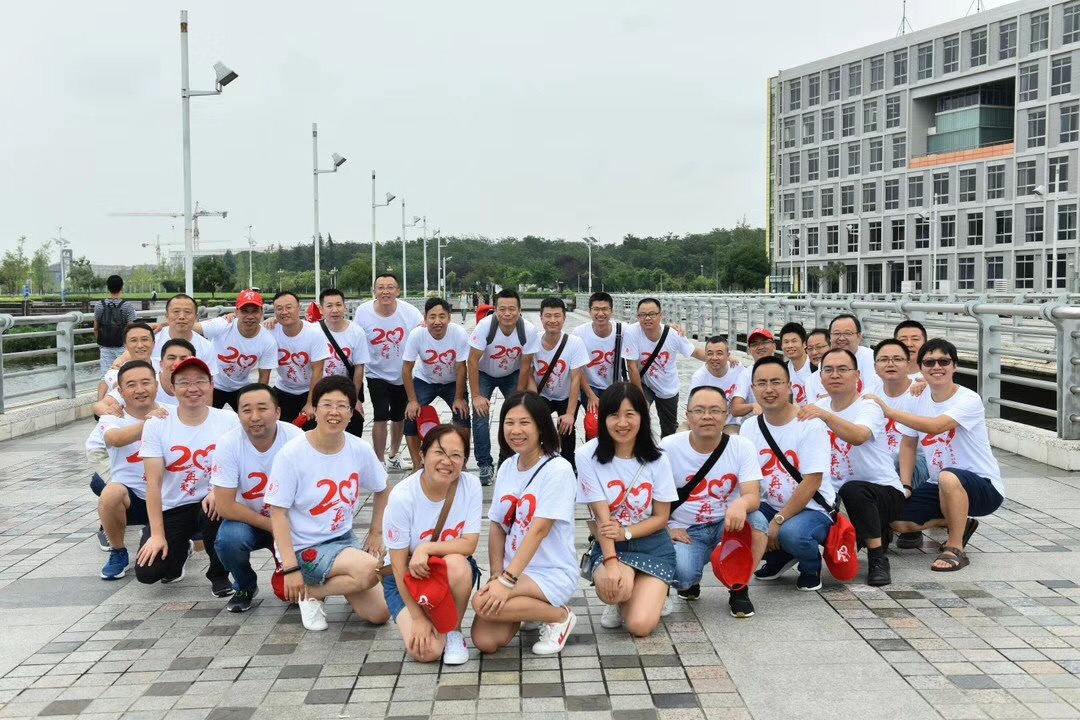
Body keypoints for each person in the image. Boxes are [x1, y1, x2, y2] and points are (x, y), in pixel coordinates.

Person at [867, 339, 1004, 572]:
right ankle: (961, 522)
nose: (937, 367)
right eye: (929, 362)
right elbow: (908, 445)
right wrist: (905, 486)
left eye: (944, 361)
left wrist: (889, 411)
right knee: (897, 521)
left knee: (948, 476)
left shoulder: (968, 399)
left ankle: (955, 547)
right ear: (920, 368)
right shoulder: (915, 398)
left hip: (983, 485)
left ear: (955, 366)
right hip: (938, 485)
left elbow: (936, 426)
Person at [266, 376, 391, 630]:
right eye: (327, 405)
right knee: (370, 570)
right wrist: (290, 568)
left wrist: (376, 532)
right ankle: (310, 590)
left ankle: (314, 590)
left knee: (380, 613)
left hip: (342, 540)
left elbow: (383, 487)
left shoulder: (359, 448)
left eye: (342, 406)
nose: (334, 412)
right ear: (314, 409)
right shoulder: (292, 454)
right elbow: (277, 513)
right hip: (305, 547)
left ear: (352, 412)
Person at [472, 391, 578, 656]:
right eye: (509, 422)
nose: (515, 430)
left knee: (482, 602)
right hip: (515, 571)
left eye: (524, 423)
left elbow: (539, 530)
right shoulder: (507, 466)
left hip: (550, 571)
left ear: (541, 426)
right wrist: (496, 574)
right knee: (486, 641)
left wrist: (506, 582)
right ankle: (530, 609)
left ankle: (559, 616)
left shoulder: (559, 469)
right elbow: (497, 525)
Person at [797, 349, 904, 586]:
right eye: (828, 370)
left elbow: (859, 436)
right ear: (820, 377)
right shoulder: (818, 406)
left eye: (842, 369)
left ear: (857, 375)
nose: (835, 375)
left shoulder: (869, 405)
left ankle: (877, 557)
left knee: (854, 490)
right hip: (835, 496)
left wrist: (825, 416)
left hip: (882, 492)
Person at [578, 383, 677, 636]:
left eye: (630, 414)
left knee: (639, 626)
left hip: (653, 545)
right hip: (611, 545)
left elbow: (661, 517)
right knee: (615, 590)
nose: (622, 423)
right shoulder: (587, 455)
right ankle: (624, 594)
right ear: (603, 419)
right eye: (614, 415)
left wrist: (627, 532)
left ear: (642, 417)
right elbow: (602, 518)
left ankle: (656, 593)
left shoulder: (659, 458)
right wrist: (611, 563)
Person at [135, 357, 239, 595]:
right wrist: (157, 535)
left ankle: (219, 574)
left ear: (211, 385)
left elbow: (239, 467)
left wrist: (218, 490)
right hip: (173, 507)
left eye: (200, 381)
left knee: (214, 509)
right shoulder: (157, 423)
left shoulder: (228, 421)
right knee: (148, 572)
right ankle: (182, 548)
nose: (193, 388)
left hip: (211, 503)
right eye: (184, 383)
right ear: (172, 388)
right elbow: (153, 483)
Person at [663, 385, 767, 616]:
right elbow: (652, 499)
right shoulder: (668, 447)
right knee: (683, 577)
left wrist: (741, 504)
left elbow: (752, 495)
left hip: (727, 524)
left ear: (726, 415)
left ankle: (738, 586)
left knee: (758, 522)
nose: (707, 416)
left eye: (715, 410)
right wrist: (665, 529)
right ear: (688, 415)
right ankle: (691, 581)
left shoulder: (741, 446)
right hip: (686, 528)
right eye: (699, 410)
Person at [382, 425, 482, 665]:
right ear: (422, 455)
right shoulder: (403, 496)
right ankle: (432, 621)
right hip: (405, 579)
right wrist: (418, 618)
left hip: (447, 575)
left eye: (456, 455)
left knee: (457, 563)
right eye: (439, 452)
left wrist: (425, 549)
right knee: (427, 652)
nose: (447, 461)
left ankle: (454, 631)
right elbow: (397, 566)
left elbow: (468, 545)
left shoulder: (470, 485)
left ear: (464, 461)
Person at [739, 356, 834, 591]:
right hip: (770, 504)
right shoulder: (749, 427)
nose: (769, 389)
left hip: (812, 508)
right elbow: (746, 477)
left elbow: (812, 481)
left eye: (776, 382)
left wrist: (778, 521)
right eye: (761, 383)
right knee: (738, 524)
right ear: (753, 389)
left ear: (790, 386)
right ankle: (779, 558)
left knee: (792, 534)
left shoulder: (810, 425)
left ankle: (810, 566)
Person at [211, 383, 304, 612]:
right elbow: (224, 506)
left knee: (291, 596)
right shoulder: (228, 444)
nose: (254, 417)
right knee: (228, 540)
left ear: (277, 412)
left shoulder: (295, 438)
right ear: (238, 414)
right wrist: (271, 524)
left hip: (291, 522)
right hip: (249, 520)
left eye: (262, 408)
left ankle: (292, 572)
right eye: (246, 410)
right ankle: (244, 585)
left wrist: (286, 526)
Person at [468, 289, 541, 485]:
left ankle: (505, 460)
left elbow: (526, 365)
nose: (507, 314)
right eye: (502, 309)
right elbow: (472, 361)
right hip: (484, 373)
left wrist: (518, 395)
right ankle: (484, 464)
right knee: (480, 416)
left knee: (514, 416)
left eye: (511, 309)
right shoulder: (485, 327)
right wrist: (476, 396)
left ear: (519, 310)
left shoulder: (528, 330)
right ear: (495, 309)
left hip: (512, 374)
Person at [95, 360, 160, 580]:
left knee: (159, 569)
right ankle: (118, 551)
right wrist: (150, 423)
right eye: (131, 385)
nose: (140, 389)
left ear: (156, 384)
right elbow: (115, 438)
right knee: (110, 493)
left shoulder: (173, 413)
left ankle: (181, 541)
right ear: (120, 392)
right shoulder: (111, 418)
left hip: (169, 499)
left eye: (146, 382)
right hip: (134, 499)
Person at [356, 273, 425, 471]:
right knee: (380, 415)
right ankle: (378, 462)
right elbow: (355, 337)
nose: (385, 291)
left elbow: (423, 330)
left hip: (401, 373)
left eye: (390, 287)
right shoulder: (363, 311)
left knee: (398, 416)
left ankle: (394, 455)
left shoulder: (409, 312)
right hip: (375, 372)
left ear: (398, 291)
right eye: (380, 287)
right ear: (374, 291)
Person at [871, 339, 931, 549]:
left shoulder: (920, 392)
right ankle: (880, 524)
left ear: (908, 364)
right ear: (875, 366)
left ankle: (908, 522)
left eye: (897, 359)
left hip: (918, 461)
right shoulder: (869, 395)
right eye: (884, 359)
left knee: (896, 460)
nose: (890, 364)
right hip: (883, 460)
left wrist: (927, 383)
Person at [402, 298, 471, 469]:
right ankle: (417, 465)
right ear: (425, 319)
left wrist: (459, 398)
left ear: (449, 317)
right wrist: (412, 400)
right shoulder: (417, 334)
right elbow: (406, 369)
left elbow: (461, 367)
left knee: (462, 414)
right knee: (410, 415)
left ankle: (460, 463)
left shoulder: (459, 333)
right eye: (432, 317)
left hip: (452, 381)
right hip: (425, 380)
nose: (437, 321)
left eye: (442, 316)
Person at [626, 298, 706, 437]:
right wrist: (640, 397)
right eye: (643, 315)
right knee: (638, 418)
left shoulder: (673, 334)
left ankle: (667, 449)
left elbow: (694, 352)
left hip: (667, 386)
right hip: (643, 383)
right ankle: (643, 448)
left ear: (661, 315)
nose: (647, 318)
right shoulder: (632, 332)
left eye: (652, 314)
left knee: (669, 429)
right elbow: (631, 366)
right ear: (638, 317)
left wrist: (722, 358)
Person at [196, 289, 277, 410]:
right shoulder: (224, 324)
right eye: (245, 311)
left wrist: (258, 402)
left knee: (251, 417)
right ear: (236, 312)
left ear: (262, 312)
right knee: (204, 416)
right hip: (213, 384)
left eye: (255, 311)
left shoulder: (268, 340)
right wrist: (167, 324)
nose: (250, 316)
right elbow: (190, 327)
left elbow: (263, 379)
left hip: (241, 387)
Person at [532, 297, 588, 468]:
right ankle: (539, 462)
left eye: (557, 316)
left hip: (566, 395)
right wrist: (534, 401)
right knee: (536, 426)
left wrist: (570, 414)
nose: (552, 320)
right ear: (541, 318)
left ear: (564, 318)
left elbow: (576, 378)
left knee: (567, 428)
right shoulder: (533, 341)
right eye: (548, 316)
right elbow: (527, 373)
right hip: (542, 394)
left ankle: (569, 464)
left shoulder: (575, 343)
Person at [572, 292, 641, 414]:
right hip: (590, 386)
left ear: (611, 311)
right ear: (589, 311)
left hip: (614, 386)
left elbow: (644, 326)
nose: (600, 313)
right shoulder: (579, 333)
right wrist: (590, 395)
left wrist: (670, 327)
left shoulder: (622, 329)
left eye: (605, 309)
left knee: (614, 420)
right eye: (596, 309)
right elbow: (577, 369)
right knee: (594, 422)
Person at [269, 291, 330, 423]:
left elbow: (318, 370)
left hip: (310, 389)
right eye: (279, 309)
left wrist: (310, 403)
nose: (284, 312)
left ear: (299, 308)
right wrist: (231, 316)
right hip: (284, 387)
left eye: (289, 307)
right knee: (276, 425)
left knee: (312, 426)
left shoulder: (314, 333)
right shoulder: (270, 331)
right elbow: (250, 329)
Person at [317, 289, 370, 439]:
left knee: (354, 425)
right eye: (329, 306)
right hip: (321, 389)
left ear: (345, 307)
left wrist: (354, 398)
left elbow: (359, 367)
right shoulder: (313, 331)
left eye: (338, 305)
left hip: (347, 388)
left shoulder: (356, 332)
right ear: (321, 309)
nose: (335, 310)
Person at [689, 336, 747, 434]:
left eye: (719, 353)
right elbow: (691, 409)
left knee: (732, 437)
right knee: (681, 431)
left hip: (729, 423)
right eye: (710, 354)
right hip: (706, 422)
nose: (714, 358)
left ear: (728, 355)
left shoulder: (737, 368)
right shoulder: (698, 377)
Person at [97, 322, 155, 401]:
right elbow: (117, 384)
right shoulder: (115, 372)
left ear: (153, 343)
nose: (140, 345)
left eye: (144, 339)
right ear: (125, 346)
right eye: (134, 340)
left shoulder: (165, 365)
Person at [731, 328, 778, 423]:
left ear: (774, 346)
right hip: (755, 423)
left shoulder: (784, 370)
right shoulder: (745, 375)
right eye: (754, 344)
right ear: (749, 350)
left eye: (764, 342)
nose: (760, 347)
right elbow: (735, 409)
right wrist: (753, 406)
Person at [94, 275, 137, 377]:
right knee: (124, 374)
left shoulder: (99, 305)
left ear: (108, 288)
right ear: (122, 288)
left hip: (105, 346)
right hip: (122, 346)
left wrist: (101, 344)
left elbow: (95, 328)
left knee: (105, 375)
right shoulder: (127, 305)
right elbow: (131, 329)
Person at [154, 294, 215, 366]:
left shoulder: (206, 347)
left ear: (195, 317)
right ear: (167, 316)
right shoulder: (153, 340)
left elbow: (210, 373)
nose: (181, 317)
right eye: (176, 311)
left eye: (187, 312)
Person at [779, 322, 815, 407]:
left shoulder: (815, 366)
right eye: (786, 342)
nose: (790, 345)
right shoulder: (783, 370)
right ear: (781, 346)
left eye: (794, 341)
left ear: (804, 344)